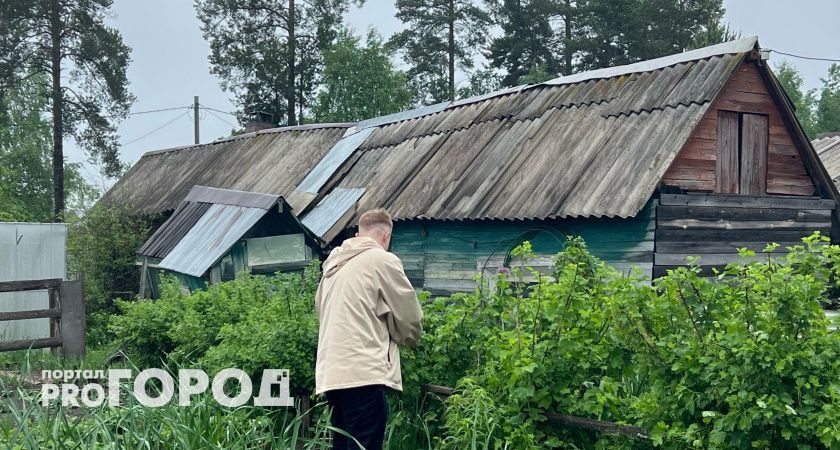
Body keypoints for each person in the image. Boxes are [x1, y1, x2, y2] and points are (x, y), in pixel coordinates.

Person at [314, 209, 423, 450]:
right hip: (362, 371)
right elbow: (408, 314)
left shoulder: (332, 268)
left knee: (343, 444)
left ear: (357, 235)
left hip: (331, 373)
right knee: (366, 443)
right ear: (386, 237)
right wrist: (410, 339)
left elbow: (321, 310)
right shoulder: (381, 259)